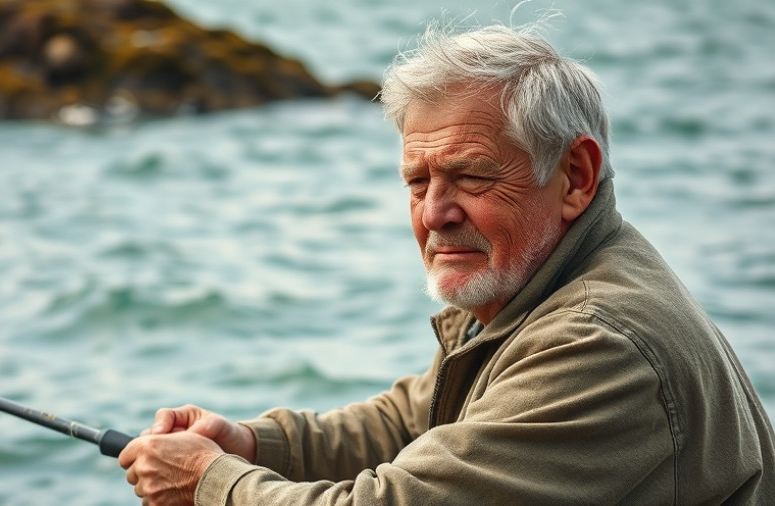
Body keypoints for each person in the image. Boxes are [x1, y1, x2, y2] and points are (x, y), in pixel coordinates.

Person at [119, 23, 775, 505]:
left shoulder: (596, 341)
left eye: (469, 177)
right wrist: (254, 445)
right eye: (416, 182)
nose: (434, 214)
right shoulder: (532, 281)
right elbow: (417, 419)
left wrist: (209, 482)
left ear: (575, 176)